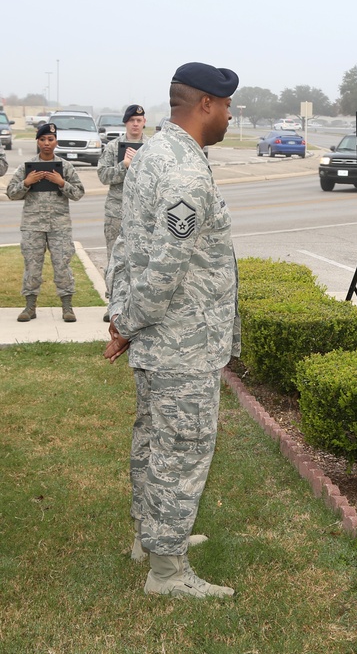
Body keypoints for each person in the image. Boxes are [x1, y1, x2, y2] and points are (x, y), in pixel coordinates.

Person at [104, 62, 241, 598]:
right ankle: (167, 570)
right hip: (181, 342)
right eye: (227, 105)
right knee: (181, 450)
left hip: (158, 338)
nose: (231, 115)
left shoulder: (156, 154)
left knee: (154, 440)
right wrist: (129, 324)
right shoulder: (183, 171)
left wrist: (123, 321)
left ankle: (152, 535)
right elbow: (162, 266)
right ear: (205, 104)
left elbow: (125, 247)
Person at [6, 123, 86, 322]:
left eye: (50, 140)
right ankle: (30, 307)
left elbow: (78, 193)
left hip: (59, 226)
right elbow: (10, 193)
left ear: (56, 142)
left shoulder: (65, 167)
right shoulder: (27, 167)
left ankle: (67, 308)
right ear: (38, 142)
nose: (46, 144)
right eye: (42, 140)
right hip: (33, 225)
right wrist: (27, 182)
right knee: (32, 267)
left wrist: (61, 182)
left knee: (62, 266)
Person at [98, 104, 148, 322]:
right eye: (132, 121)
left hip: (144, 213)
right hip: (116, 212)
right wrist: (124, 165)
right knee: (115, 260)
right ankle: (112, 305)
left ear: (144, 122)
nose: (135, 124)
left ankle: (138, 306)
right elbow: (103, 175)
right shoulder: (112, 147)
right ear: (126, 123)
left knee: (142, 260)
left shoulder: (151, 146)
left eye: (139, 120)